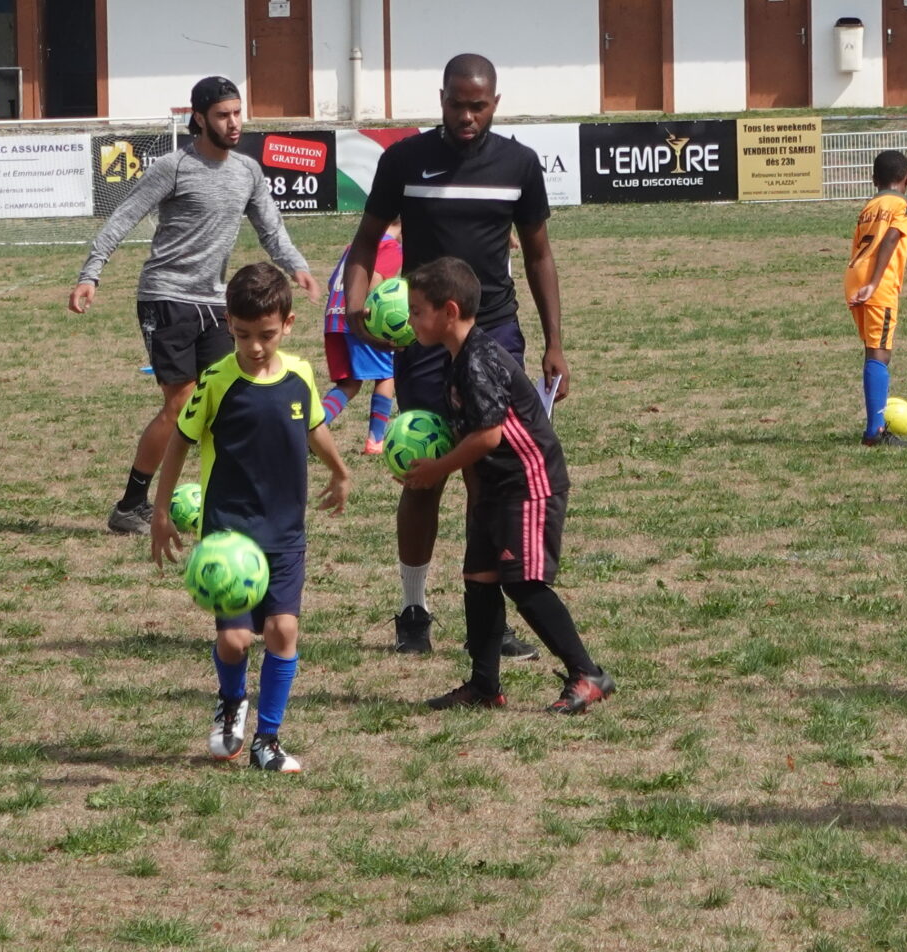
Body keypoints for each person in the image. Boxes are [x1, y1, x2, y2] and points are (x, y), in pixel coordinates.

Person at [342, 55, 565, 657]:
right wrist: (357, 308)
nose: (467, 117)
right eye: (456, 104)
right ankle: (413, 608)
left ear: (495, 102)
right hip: (424, 341)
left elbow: (540, 255)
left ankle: (488, 621)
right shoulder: (405, 161)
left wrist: (555, 343)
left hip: (495, 337)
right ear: (440, 99)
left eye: (478, 106)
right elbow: (366, 239)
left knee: (490, 480)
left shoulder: (519, 164)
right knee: (422, 474)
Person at [72, 76, 316, 536]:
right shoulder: (173, 167)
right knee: (183, 402)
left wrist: (296, 266)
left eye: (238, 113)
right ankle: (131, 504)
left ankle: (231, 498)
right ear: (200, 118)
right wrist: (91, 273)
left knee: (228, 397)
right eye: (223, 115)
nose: (234, 122)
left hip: (214, 302)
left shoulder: (247, 172)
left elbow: (271, 229)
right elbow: (124, 217)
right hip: (165, 297)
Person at [149, 262, 350, 774]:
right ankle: (232, 700)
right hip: (227, 533)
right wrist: (159, 510)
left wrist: (339, 470)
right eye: (241, 335)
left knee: (283, 631)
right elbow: (179, 443)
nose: (254, 346)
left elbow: (315, 426)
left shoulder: (301, 374)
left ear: (287, 324)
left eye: (265, 335)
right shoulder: (217, 381)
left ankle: (269, 738)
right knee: (236, 640)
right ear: (227, 325)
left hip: (284, 529)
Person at [402, 256, 614, 716]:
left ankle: (588, 673)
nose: (411, 318)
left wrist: (437, 469)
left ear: (450, 312)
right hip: (497, 486)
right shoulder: (458, 357)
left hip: (528, 482)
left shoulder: (477, 360)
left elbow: (488, 435)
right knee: (479, 579)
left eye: (418, 310)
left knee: (524, 582)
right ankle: (484, 686)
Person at [846, 150, 907, 446]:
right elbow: (890, 237)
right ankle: (875, 432)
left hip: (854, 275)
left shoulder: (869, 206)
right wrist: (875, 284)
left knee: (872, 350)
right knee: (880, 354)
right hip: (878, 281)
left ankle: (874, 425)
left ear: (874, 180)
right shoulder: (906, 204)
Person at [322, 222, 403, 455]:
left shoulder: (353, 246)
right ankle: (375, 441)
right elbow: (375, 283)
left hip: (334, 318)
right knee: (387, 374)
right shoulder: (389, 248)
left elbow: (331, 283)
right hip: (358, 319)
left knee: (348, 384)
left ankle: (310, 427)